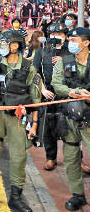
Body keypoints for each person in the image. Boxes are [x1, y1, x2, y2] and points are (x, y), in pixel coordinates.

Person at [0, 30, 41, 212]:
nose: (1, 47)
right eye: (0, 44)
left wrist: (34, 125)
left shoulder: (29, 68)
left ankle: (15, 197)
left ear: (15, 45)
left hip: (18, 118)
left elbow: (36, 99)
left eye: (5, 44)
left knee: (19, 158)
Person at [51, 27, 90, 211]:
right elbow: (56, 84)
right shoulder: (63, 62)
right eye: (70, 40)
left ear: (86, 43)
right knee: (71, 157)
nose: (71, 43)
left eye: (75, 40)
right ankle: (77, 195)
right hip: (70, 118)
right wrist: (72, 92)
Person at [33, 22, 77, 171]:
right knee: (48, 128)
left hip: (68, 95)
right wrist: (42, 89)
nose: (55, 37)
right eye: (52, 35)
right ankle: (51, 157)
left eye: (59, 34)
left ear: (65, 36)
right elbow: (35, 73)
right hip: (48, 95)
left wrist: (64, 61)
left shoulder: (71, 52)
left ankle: (77, 159)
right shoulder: (42, 51)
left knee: (71, 129)